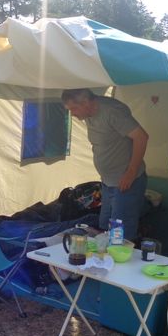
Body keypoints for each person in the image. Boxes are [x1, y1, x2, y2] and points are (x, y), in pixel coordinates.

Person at [61, 88, 149, 242]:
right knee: (103, 227)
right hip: (108, 182)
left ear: (86, 102)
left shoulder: (112, 112)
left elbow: (141, 137)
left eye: (73, 108)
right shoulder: (88, 113)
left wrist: (131, 172)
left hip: (126, 182)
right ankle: (106, 256)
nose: (72, 114)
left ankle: (122, 255)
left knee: (119, 234)